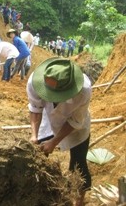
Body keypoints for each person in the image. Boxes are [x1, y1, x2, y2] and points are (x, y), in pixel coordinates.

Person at [27, 58, 92, 206]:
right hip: (48, 119)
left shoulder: (84, 90)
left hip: (75, 127)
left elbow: (75, 121)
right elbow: (35, 109)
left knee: (78, 164)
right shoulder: (34, 82)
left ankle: (79, 201)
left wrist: (54, 142)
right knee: (38, 152)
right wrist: (34, 135)